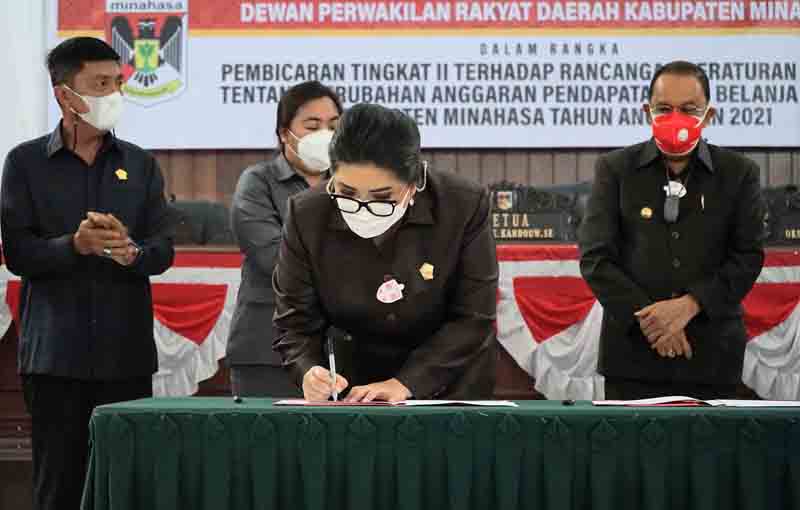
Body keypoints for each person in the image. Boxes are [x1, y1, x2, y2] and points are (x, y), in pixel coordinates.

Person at [1, 37, 174, 509]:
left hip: (126, 356)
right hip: (55, 358)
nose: (114, 94)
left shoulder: (140, 164)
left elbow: (163, 250)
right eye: (100, 84)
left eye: (117, 82)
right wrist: (74, 246)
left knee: (127, 487)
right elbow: (17, 254)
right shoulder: (24, 163)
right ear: (65, 95)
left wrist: (130, 252)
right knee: (59, 487)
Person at [273, 103, 498, 402]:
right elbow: (294, 323)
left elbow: (474, 317)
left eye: (382, 197)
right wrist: (308, 371)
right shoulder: (307, 214)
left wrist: (405, 383)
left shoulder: (463, 205)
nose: (363, 208)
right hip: (353, 387)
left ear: (414, 183)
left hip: (450, 382)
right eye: (347, 193)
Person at [579, 61, 766, 400]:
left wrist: (691, 305)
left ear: (708, 116)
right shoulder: (615, 169)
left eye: (689, 109)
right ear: (647, 112)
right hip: (632, 356)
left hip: (712, 356)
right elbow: (596, 259)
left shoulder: (739, 173)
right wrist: (654, 323)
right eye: (664, 109)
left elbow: (747, 257)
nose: (675, 118)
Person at [226, 81, 343, 397]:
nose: (325, 135)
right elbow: (276, 260)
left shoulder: (352, 184)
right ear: (284, 134)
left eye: (333, 126)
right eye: (312, 126)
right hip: (268, 349)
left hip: (340, 352)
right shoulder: (257, 182)